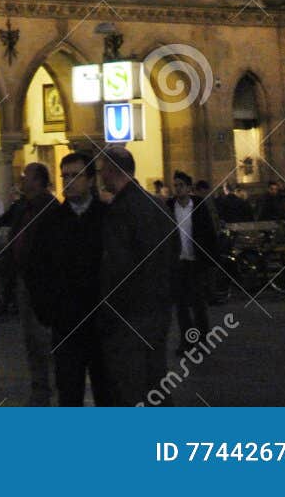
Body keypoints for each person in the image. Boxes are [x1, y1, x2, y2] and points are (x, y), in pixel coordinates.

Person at [97, 145, 177, 406]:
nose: (100, 177)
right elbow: (173, 251)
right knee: (156, 379)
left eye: (101, 170)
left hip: (129, 313)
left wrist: (108, 310)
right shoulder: (157, 204)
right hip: (158, 307)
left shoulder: (121, 210)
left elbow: (117, 266)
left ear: (111, 170)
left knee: (131, 385)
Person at [30, 151, 108, 407]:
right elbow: (38, 270)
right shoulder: (51, 222)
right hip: (66, 323)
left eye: (76, 175)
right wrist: (48, 312)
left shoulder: (107, 218)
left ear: (91, 179)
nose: (70, 181)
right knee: (69, 393)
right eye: (65, 176)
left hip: (102, 323)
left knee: (108, 392)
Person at [6, 162, 56, 405]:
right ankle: (40, 387)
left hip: (43, 283)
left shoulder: (49, 209)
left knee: (42, 339)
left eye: (26, 176)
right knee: (31, 339)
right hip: (24, 280)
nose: (21, 180)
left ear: (38, 181)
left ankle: (46, 388)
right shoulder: (22, 209)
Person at [168, 170, 217, 344]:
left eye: (181, 185)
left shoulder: (198, 206)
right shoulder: (169, 206)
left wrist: (210, 259)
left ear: (189, 187)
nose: (178, 189)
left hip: (195, 262)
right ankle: (186, 341)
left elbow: (208, 233)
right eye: (175, 185)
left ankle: (203, 339)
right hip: (178, 262)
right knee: (181, 306)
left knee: (198, 303)